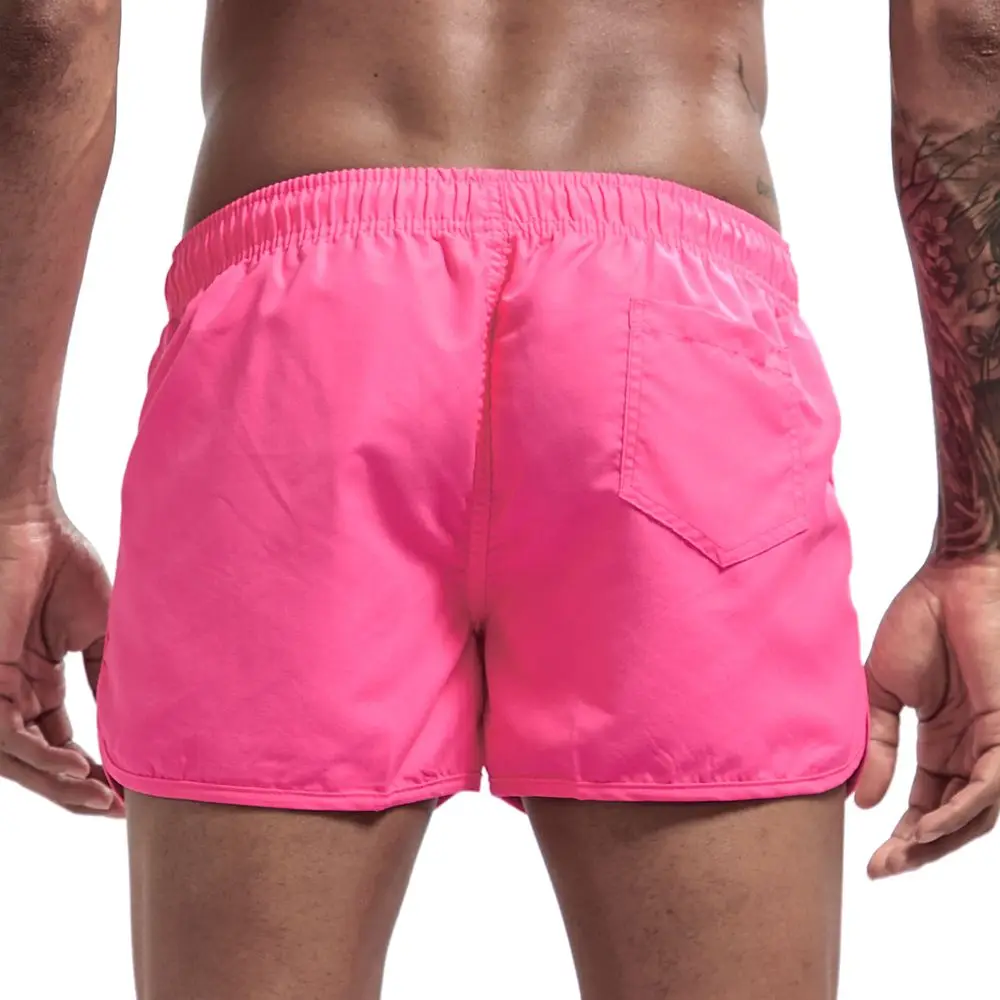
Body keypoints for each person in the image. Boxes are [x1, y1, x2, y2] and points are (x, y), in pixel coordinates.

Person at [2, 1, 1000, 997]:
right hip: (671, 333)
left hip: (300, 339)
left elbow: (49, 25)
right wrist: (981, 549)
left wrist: (10, 509)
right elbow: (967, 28)